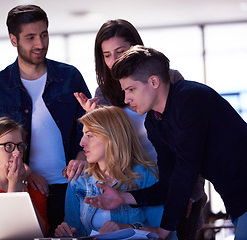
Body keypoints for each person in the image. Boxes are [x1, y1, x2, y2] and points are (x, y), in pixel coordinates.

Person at [84, 45, 247, 239]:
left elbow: (186, 167)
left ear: (153, 81)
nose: (127, 99)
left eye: (131, 89)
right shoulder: (154, 123)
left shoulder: (191, 97)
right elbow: (169, 183)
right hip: (236, 202)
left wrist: (164, 229)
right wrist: (123, 198)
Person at [74, 19, 206, 239]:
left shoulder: (168, 79)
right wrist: (92, 120)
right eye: (106, 55)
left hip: (177, 181)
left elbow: (191, 144)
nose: (113, 60)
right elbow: (104, 143)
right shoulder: (103, 93)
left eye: (120, 51)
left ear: (136, 49)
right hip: (135, 186)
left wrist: (189, 194)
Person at [0, 5, 91, 235]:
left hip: (74, 189)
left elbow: (92, 125)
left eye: (44, 34)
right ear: (13, 40)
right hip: (25, 192)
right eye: (31, 37)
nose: (40, 44)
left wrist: (82, 155)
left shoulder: (70, 76)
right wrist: (24, 171)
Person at [55, 106, 169, 238]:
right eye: (83, 134)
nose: (81, 142)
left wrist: (127, 229)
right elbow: (75, 230)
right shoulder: (79, 178)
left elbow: (163, 234)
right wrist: (65, 234)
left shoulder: (147, 176)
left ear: (112, 137)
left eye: (89, 135)